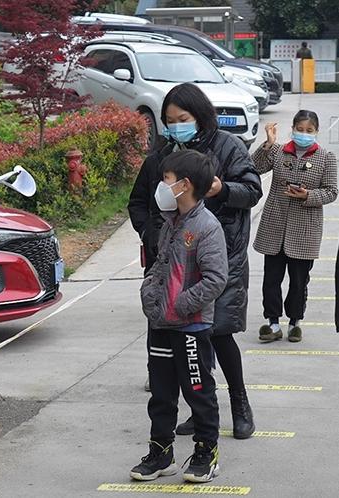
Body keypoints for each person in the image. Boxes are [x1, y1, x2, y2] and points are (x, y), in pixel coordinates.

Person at [128, 83, 263, 440]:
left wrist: (222, 190)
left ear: (200, 116)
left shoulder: (228, 146)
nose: (176, 126)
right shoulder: (162, 156)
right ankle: (199, 409)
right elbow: (139, 203)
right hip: (171, 264)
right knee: (183, 342)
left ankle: (239, 403)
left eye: (182, 119)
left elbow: (251, 190)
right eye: (169, 121)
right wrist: (153, 237)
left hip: (220, 257)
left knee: (218, 333)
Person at [132, 149, 227, 484]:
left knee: (198, 390)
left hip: (191, 326)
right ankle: (161, 451)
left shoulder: (206, 226)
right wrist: (149, 293)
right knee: (161, 391)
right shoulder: (170, 224)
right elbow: (159, 266)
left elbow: (216, 278)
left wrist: (182, 304)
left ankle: (206, 452)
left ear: (184, 185)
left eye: (166, 180)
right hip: (160, 323)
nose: (161, 186)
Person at [252, 111, 338, 343]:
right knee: (271, 278)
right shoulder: (279, 151)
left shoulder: (325, 157)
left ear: (316, 132)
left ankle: (294, 322)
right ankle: (272, 322)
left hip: (304, 228)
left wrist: (307, 195)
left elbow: (331, 191)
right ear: (292, 128)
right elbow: (254, 167)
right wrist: (268, 144)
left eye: (309, 131)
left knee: (299, 280)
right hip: (275, 224)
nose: (304, 134)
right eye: (300, 129)